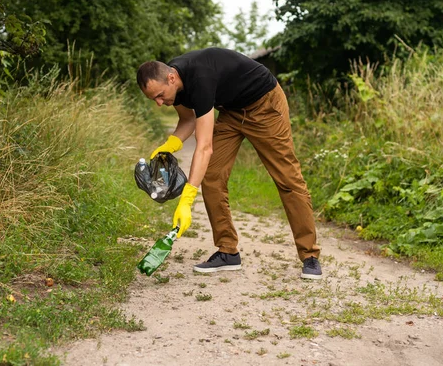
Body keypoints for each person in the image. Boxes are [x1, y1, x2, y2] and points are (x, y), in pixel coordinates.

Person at [136, 47, 322, 279]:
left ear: (171, 78)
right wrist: (171, 143)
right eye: (154, 98)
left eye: (160, 95)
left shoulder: (199, 78)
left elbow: (204, 147)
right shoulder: (175, 83)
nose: (160, 102)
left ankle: (310, 255)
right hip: (232, 112)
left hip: (265, 105)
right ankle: (227, 252)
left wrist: (187, 199)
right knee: (212, 175)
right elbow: (188, 118)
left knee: (287, 178)